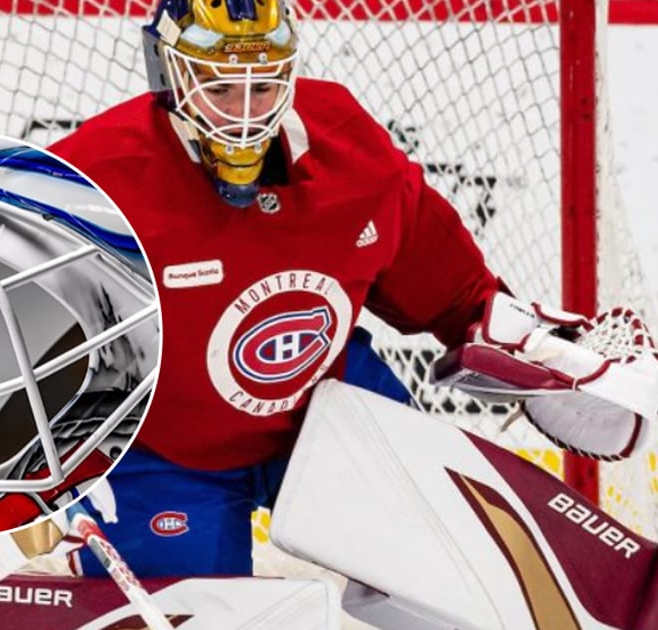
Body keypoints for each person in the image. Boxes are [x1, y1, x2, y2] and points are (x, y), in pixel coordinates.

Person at [47, 0, 502, 578]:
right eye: (219, 87)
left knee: (452, 559)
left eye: (262, 86)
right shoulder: (91, 181)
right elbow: (10, 337)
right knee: (191, 612)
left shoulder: (347, 145)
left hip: (324, 408)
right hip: (160, 451)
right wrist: (43, 464)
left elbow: (451, 290)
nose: (244, 113)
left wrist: (521, 340)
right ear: (168, 74)